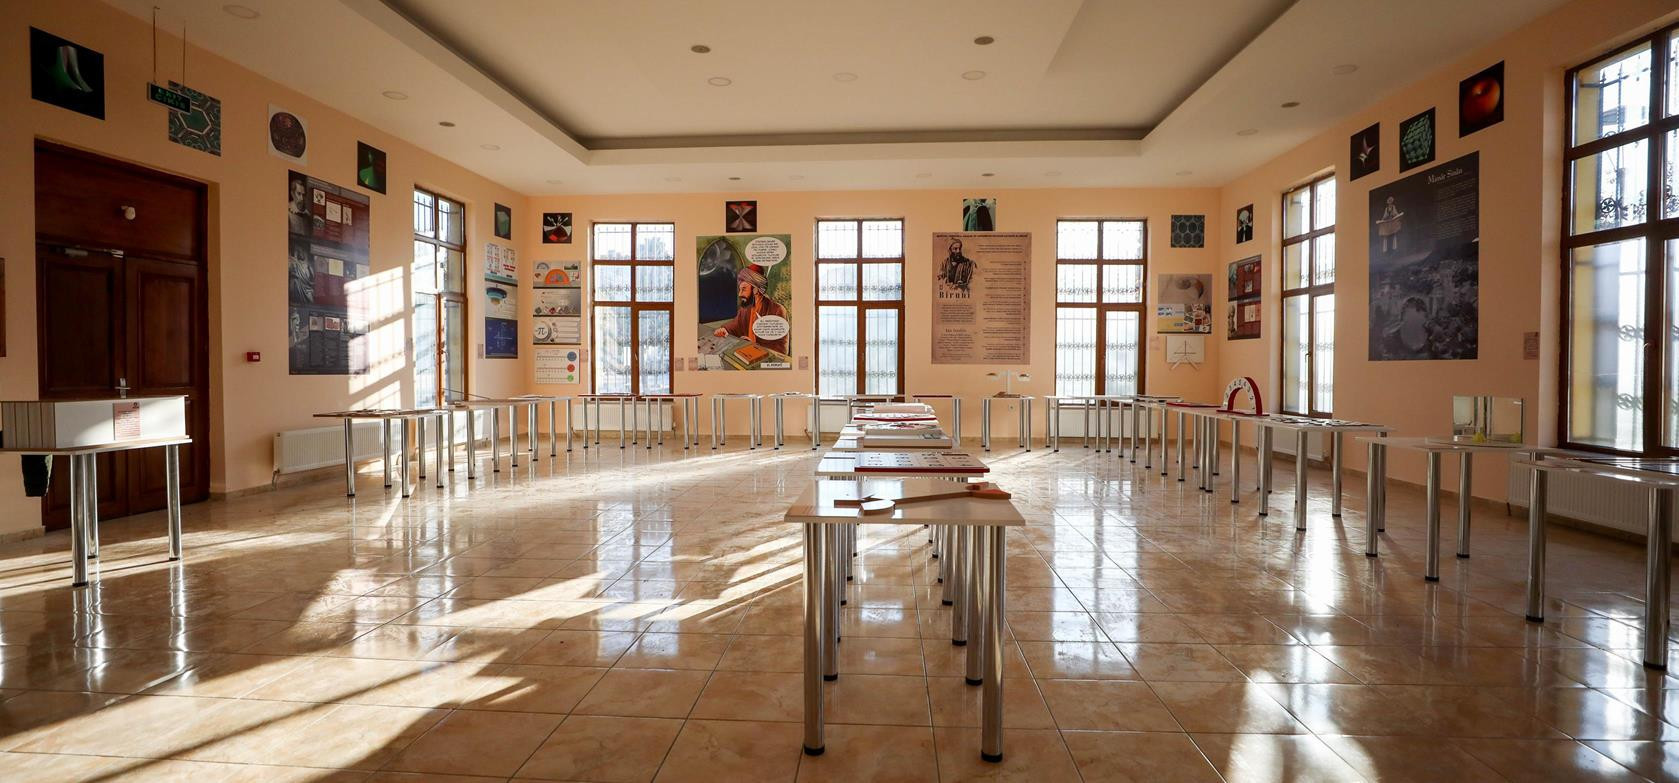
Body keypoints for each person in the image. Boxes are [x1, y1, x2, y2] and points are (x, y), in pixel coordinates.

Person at [713, 266, 788, 355]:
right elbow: (736, 325)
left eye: (744, 289)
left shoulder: (777, 310)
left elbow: (781, 351)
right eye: (740, 289)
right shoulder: (745, 308)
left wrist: (755, 346)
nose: (740, 294)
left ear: (755, 289)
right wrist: (724, 329)